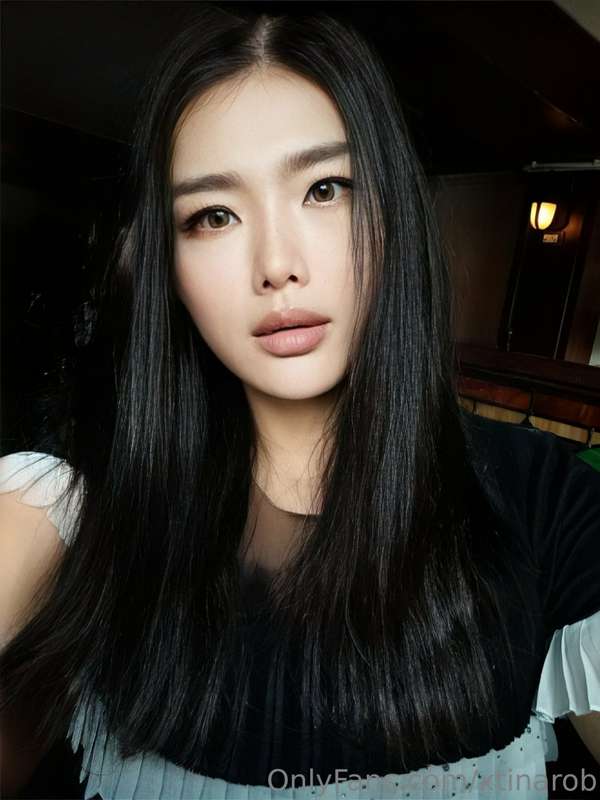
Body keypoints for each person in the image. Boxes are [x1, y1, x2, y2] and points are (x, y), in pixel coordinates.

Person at [1, 4, 599, 799]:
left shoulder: (546, 500)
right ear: (169, 267)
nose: (277, 264)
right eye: (213, 215)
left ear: (393, 215)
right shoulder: (82, 500)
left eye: (326, 188)